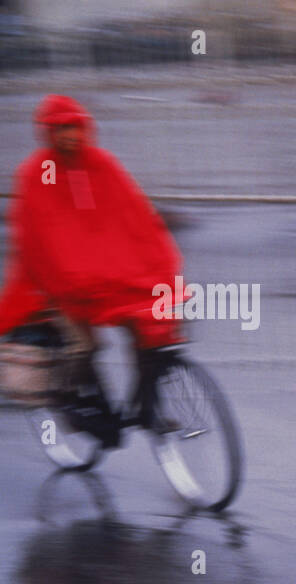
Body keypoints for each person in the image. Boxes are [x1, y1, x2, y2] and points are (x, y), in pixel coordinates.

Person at [0, 95, 185, 444]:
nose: (69, 135)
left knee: (149, 325)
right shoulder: (44, 171)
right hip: (55, 278)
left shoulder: (101, 164)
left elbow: (134, 215)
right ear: (48, 132)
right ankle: (73, 402)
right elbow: (46, 228)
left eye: (74, 127)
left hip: (103, 271)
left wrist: (159, 260)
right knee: (85, 344)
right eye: (60, 129)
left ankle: (149, 408)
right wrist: (72, 274)